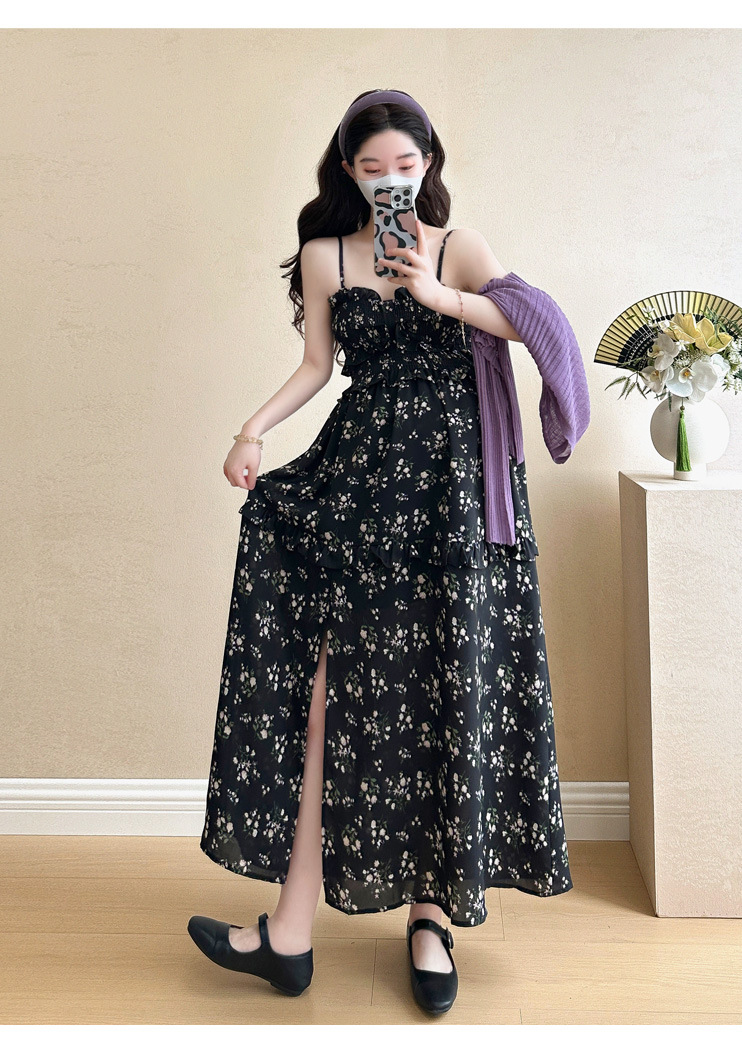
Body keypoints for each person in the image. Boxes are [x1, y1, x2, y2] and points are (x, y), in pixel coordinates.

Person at [188, 88, 576, 1016]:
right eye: (372, 169)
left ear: (428, 163)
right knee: (328, 695)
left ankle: (432, 920)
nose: (391, 181)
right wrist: (251, 431)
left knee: (445, 684)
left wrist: (436, 293)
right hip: (361, 485)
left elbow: (535, 324)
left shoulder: (457, 246)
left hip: (455, 496)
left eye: (406, 165)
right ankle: (290, 930)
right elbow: (318, 367)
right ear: (348, 172)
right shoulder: (324, 255)